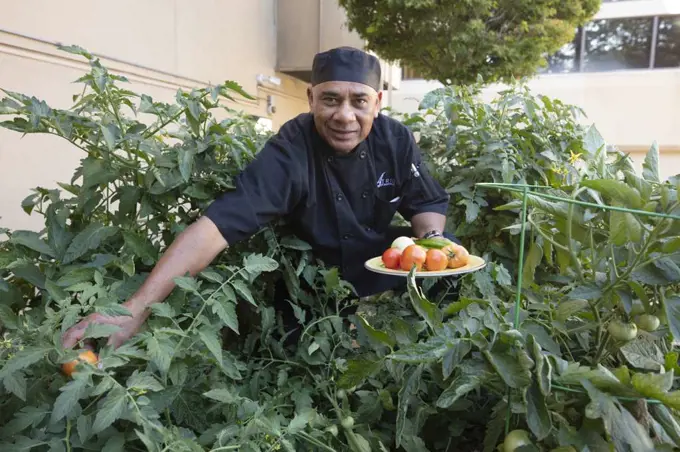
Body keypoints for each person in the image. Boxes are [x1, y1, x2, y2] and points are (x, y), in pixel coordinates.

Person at [62, 46, 466, 350]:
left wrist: (430, 245)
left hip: (379, 266)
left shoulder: (393, 138)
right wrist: (135, 309)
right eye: (330, 99)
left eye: (359, 101)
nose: (345, 115)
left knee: (447, 286)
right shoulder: (292, 147)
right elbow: (217, 227)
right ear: (311, 99)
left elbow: (425, 200)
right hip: (309, 282)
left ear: (377, 103)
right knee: (297, 367)